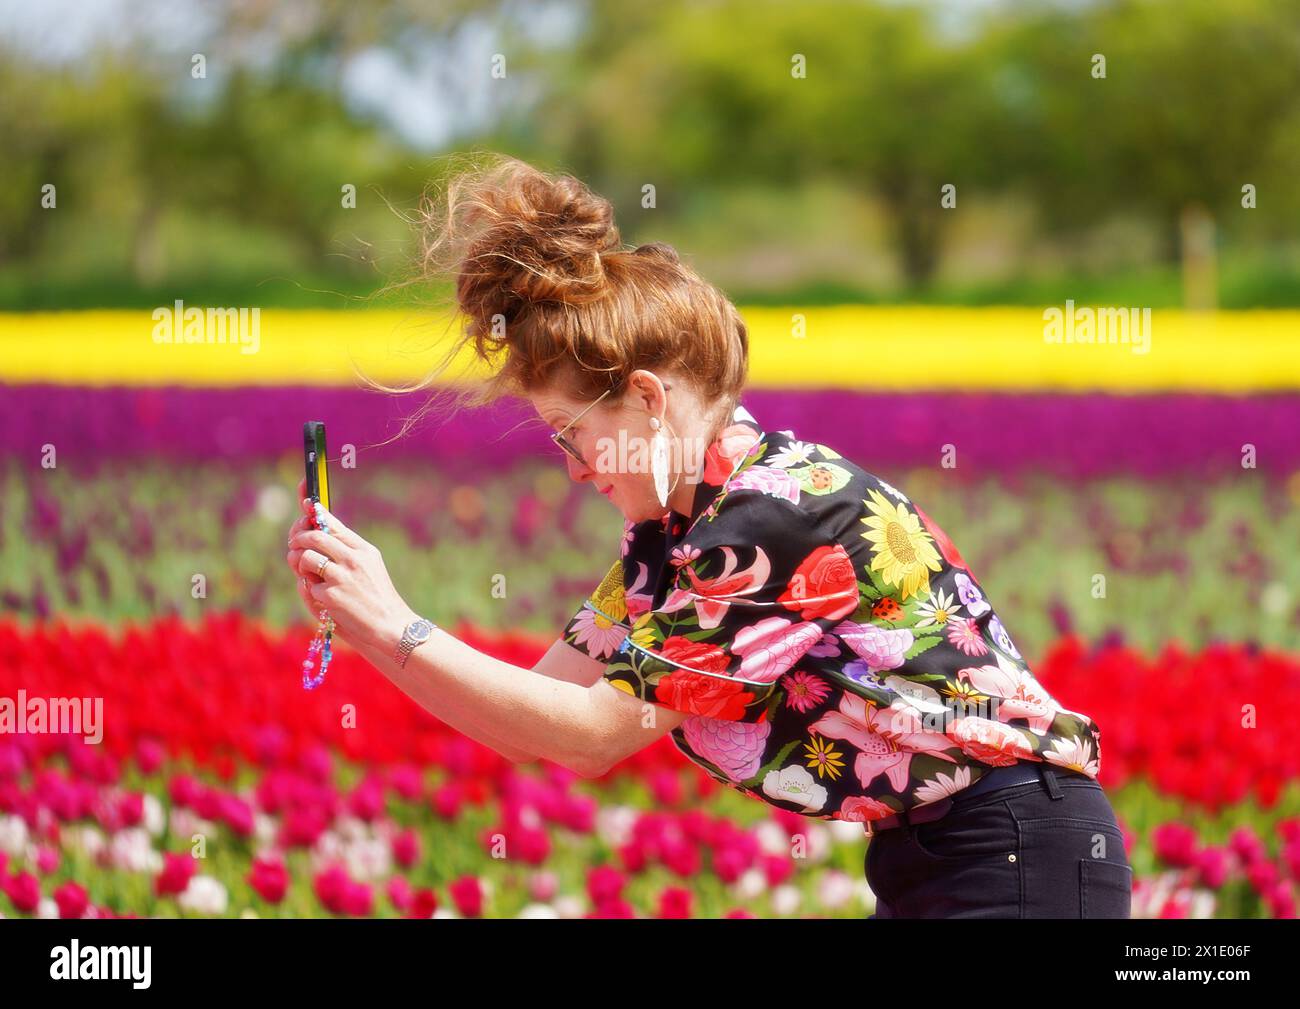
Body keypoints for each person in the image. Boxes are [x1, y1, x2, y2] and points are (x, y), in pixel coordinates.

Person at [285, 154, 1131, 918]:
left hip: (1016, 847)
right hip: (947, 854)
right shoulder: (673, 534)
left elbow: (589, 733)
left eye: (569, 432)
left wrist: (393, 625)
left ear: (648, 400)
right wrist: (367, 628)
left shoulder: (768, 517)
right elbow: (534, 716)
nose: (575, 469)